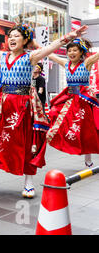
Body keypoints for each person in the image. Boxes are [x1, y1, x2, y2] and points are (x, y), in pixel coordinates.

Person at [0, 23, 88, 198]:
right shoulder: (2, 56)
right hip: (3, 100)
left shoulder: (31, 57)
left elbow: (51, 47)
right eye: (10, 36)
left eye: (16, 36)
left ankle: (28, 183)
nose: (12, 39)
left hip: (23, 104)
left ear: (26, 40)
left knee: (27, 144)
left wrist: (71, 35)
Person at [46, 38, 99, 167]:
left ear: (81, 52)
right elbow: (50, 54)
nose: (71, 53)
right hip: (68, 98)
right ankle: (59, 138)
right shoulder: (66, 63)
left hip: (83, 101)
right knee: (53, 112)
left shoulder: (86, 63)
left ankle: (88, 160)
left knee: (86, 131)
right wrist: (36, 45)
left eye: (75, 50)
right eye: (69, 50)